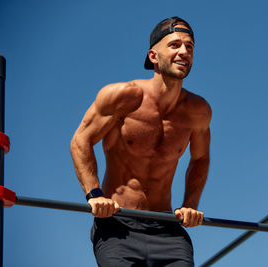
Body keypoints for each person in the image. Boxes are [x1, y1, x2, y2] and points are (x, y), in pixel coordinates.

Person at [70, 16, 211, 266]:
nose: (184, 52)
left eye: (189, 47)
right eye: (175, 45)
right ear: (153, 56)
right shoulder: (124, 96)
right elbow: (81, 140)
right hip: (118, 226)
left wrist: (190, 204)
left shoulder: (197, 110)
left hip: (167, 228)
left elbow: (200, 158)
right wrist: (94, 195)